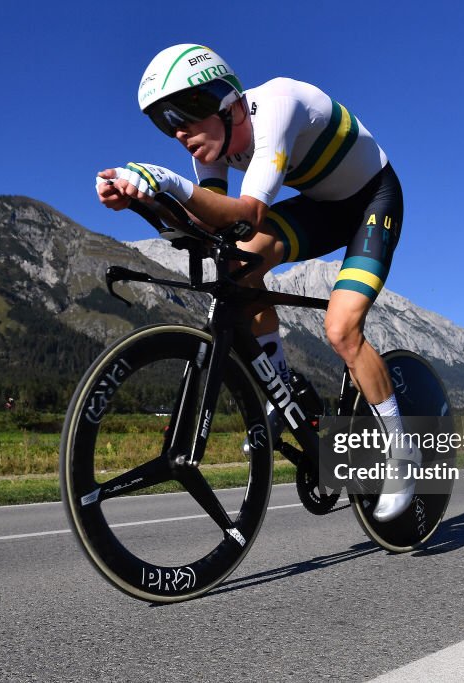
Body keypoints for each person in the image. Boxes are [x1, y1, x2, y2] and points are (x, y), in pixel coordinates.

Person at [96, 44, 414, 521]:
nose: (178, 131)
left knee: (341, 330)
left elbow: (246, 215)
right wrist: (142, 198)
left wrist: (164, 181)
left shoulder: (278, 107)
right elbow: (208, 225)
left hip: (374, 200)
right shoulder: (211, 148)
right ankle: (281, 383)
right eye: (164, 122)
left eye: (184, 113)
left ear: (225, 101)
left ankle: (402, 456)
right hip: (321, 209)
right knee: (238, 268)